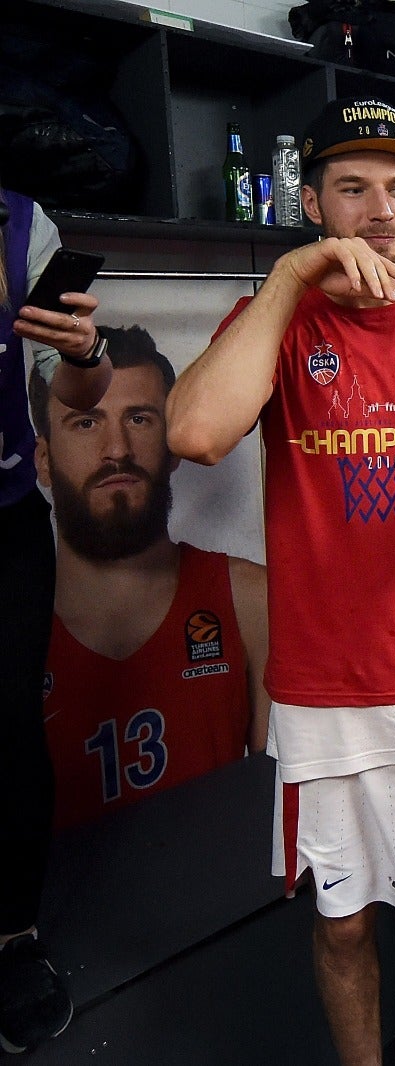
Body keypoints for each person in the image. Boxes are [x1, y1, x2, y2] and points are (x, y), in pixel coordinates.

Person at [165, 97, 395, 1066]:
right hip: (329, 688)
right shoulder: (277, 316)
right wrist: (293, 276)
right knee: (343, 925)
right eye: (353, 189)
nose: (382, 210)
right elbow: (195, 432)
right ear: (311, 201)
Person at [32, 326, 268, 829]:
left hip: (222, 902)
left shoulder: (252, 602)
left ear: (174, 443)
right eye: (84, 423)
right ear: (44, 461)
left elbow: (283, 817)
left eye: (139, 419)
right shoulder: (16, 629)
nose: (117, 448)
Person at [0, 185, 113, 1054]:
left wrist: (84, 350)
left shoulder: (20, 221)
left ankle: (14, 940)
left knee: (8, 736)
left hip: (3, 520)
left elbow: (79, 384)